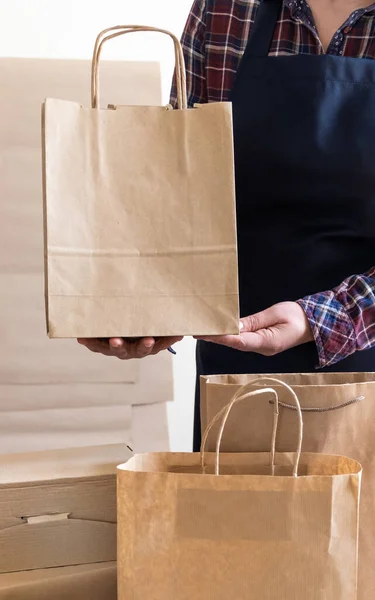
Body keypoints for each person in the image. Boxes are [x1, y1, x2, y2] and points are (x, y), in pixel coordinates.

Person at [79, 0, 375, 450]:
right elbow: (181, 182)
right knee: (232, 517)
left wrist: (320, 318)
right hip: (237, 367)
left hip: (365, 364)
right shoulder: (228, 8)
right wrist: (142, 304)